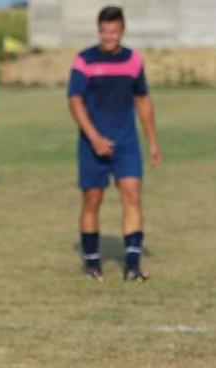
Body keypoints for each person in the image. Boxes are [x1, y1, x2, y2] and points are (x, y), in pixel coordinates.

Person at [68, 6, 161, 282]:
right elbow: (75, 102)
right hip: (91, 143)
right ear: (99, 31)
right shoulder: (83, 60)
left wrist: (153, 141)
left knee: (132, 196)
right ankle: (92, 264)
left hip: (126, 143)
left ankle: (132, 266)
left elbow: (142, 100)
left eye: (114, 31)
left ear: (123, 30)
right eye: (105, 31)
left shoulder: (133, 61)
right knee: (92, 200)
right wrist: (95, 137)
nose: (109, 36)